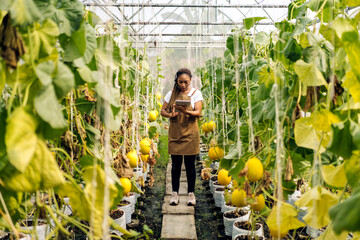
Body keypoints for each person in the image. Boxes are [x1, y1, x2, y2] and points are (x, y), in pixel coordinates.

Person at [161, 68, 203, 206]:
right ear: (176, 81)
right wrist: (171, 115)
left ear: (190, 80)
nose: (183, 85)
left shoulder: (196, 93)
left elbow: (198, 112)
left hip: (190, 133)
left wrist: (185, 111)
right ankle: (174, 193)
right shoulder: (172, 93)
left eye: (186, 82)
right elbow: (162, 111)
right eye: (180, 82)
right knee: (175, 166)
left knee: (190, 165)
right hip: (175, 133)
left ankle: (191, 194)